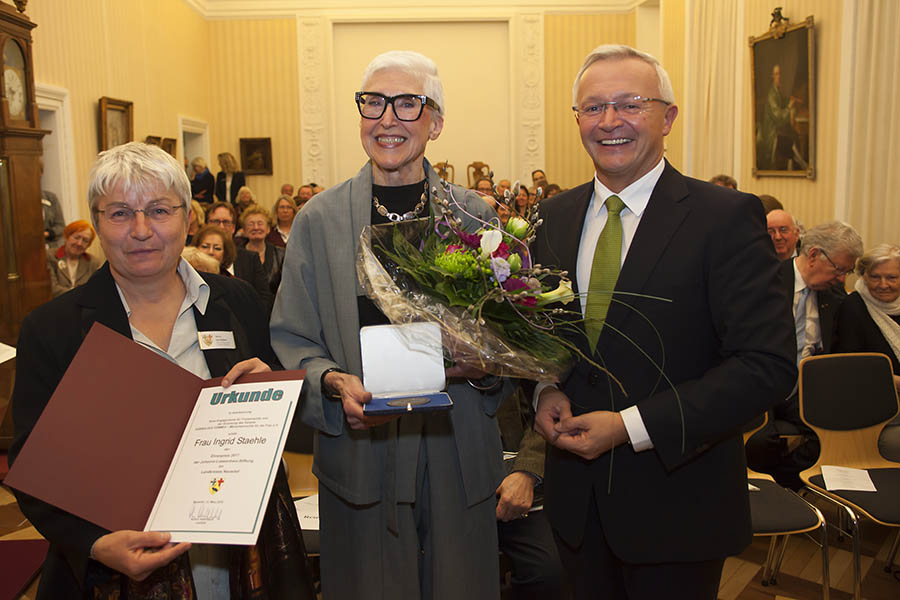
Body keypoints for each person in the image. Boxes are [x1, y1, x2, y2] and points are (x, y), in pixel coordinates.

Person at [531, 45, 796, 599]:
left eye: (631, 104)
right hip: (575, 507)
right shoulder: (551, 218)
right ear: (577, 119)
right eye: (593, 107)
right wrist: (544, 387)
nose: (609, 122)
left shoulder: (725, 217)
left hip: (677, 504)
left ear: (668, 116)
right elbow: (547, 339)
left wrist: (628, 427)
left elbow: (764, 368)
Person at [10, 142, 315, 600]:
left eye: (158, 210)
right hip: (113, 573)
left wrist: (276, 392)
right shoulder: (52, 329)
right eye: (118, 213)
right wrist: (94, 542)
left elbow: (290, 433)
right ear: (96, 222)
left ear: (186, 217)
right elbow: (33, 467)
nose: (140, 230)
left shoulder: (238, 303)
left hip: (241, 562)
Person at [271, 50, 508, 600]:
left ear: (436, 122)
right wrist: (331, 382)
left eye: (408, 104)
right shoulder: (320, 220)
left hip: (456, 439)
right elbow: (292, 337)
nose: (387, 118)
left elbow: (507, 336)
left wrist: (485, 363)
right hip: (362, 445)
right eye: (373, 103)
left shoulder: (476, 217)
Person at [747, 220, 862, 489]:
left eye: (848, 271)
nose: (842, 279)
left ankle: (784, 488)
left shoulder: (835, 297)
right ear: (813, 255)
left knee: (828, 436)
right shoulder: (766, 281)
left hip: (804, 390)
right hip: (761, 384)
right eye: (840, 269)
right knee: (762, 441)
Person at [834, 243, 900, 461]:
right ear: (863, 276)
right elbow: (850, 369)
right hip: (877, 408)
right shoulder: (853, 307)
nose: (883, 285)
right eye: (875, 277)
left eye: (892, 277)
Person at [46, 220, 102, 297]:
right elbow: (52, 288)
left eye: (85, 240)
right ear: (66, 237)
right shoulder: (50, 256)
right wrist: (78, 296)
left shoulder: (93, 262)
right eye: (76, 237)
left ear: (88, 245)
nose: (79, 243)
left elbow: (95, 290)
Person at [241, 205, 285, 297]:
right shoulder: (236, 256)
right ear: (244, 230)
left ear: (268, 229)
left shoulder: (281, 254)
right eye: (251, 224)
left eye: (260, 223)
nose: (256, 227)